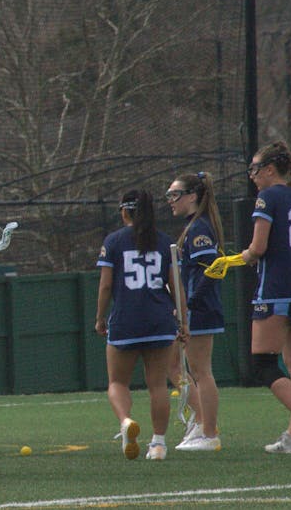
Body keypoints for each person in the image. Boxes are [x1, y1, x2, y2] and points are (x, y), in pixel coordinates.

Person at [240, 141, 291, 455]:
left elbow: (258, 248)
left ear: (271, 170)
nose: (252, 175)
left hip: (277, 288)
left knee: (263, 363)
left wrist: (244, 255)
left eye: (255, 169)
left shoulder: (268, 196)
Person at [95, 189, 180, 461]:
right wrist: (183, 322)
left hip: (126, 319)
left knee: (118, 382)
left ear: (124, 211)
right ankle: (159, 444)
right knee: (157, 384)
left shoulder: (114, 241)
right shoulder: (165, 241)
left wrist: (99, 317)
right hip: (160, 319)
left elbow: (106, 284)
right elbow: (176, 286)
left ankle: (125, 422)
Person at [165, 172, 225, 451]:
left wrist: (190, 304)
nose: (170, 201)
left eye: (175, 195)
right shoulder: (193, 226)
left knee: (201, 371)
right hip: (195, 308)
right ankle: (201, 423)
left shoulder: (199, 227)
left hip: (200, 309)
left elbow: (212, 269)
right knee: (187, 368)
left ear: (192, 196)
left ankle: (209, 433)